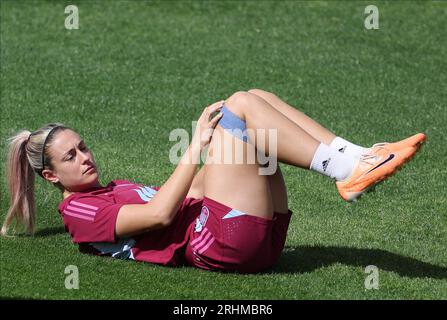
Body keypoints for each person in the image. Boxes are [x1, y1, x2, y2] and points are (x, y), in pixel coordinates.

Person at [1, 89, 425, 273]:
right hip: (221, 246)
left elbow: (201, 188)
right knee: (239, 107)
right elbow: (161, 213)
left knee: (248, 101)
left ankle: (357, 158)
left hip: (247, 234)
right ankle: (348, 171)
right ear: (51, 175)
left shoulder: (114, 188)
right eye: (71, 156)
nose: (85, 157)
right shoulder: (79, 211)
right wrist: (200, 144)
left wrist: (228, 142)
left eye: (84, 146)